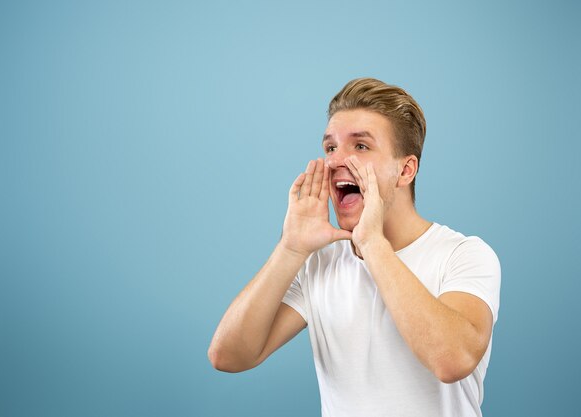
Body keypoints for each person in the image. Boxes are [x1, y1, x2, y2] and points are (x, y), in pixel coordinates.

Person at [208, 78, 501, 417]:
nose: (335, 162)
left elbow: (452, 360)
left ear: (405, 170)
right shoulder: (319, 264)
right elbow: (228, 356)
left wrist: (373, 243)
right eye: (330, 148)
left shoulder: (463, 255)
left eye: (360, 146)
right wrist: (290, 249)